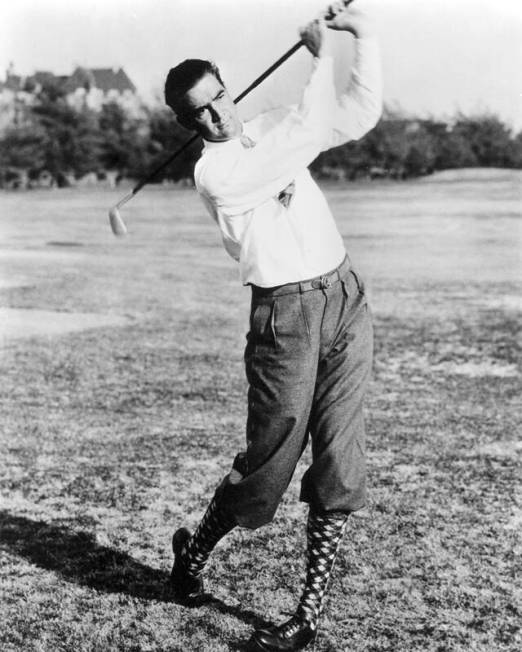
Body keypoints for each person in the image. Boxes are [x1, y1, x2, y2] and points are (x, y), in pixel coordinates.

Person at [164, 2, 382, 650]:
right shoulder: (214, 173)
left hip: (344, 297)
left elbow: (359, 112)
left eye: (219, 97)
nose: (217, 113)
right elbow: (303, 133)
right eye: (200, 112)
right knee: (265, 469)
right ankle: (193, 554)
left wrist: (360, 38)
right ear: (188, 123)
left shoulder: (270, 126)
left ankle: (306, 616)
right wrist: (318, 62)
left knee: (341, 460)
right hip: (284, 316)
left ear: (229, 88)